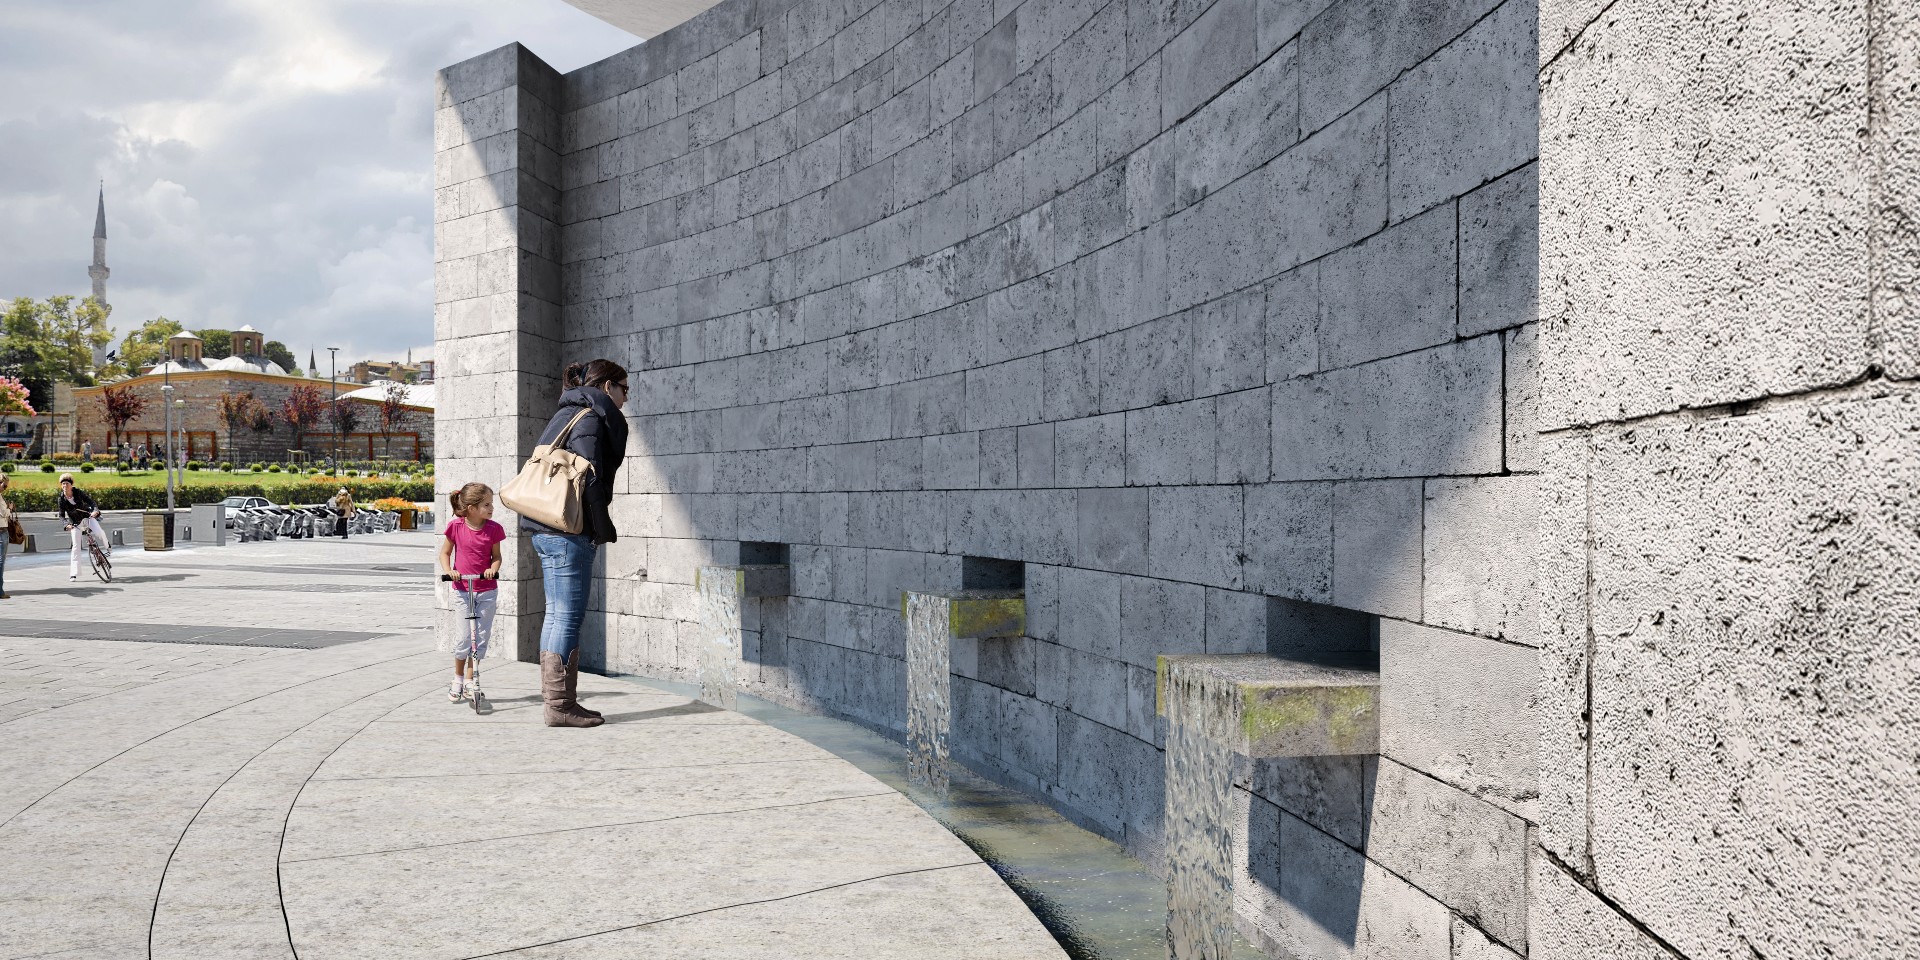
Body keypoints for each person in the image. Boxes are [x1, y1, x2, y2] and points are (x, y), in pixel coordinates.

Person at [521, 358, 628, 728]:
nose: (626, 398)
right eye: (624, 389)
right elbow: (590, 478)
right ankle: (560, 706)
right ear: (607, 386)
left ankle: (559, 703)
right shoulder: (590, 418)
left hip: (546, 528)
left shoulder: (566, 413)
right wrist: (600, 528)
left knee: (557, 615)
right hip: (568, 531)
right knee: (566, 617)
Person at [437, 482, 504, 702]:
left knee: (481, 639)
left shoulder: (494, 529)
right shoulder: (456, 527)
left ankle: (470, 679)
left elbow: (496, 557)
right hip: (463, 591)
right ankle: (457, 678)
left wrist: (492, 569)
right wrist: (450, 571)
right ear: (471, 508)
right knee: (464, 638)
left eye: (491, 503)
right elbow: (445, 553)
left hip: (486, 591)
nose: (491, 508)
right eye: (487, 504)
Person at [55, 473, 108, 582]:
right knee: (75, 547)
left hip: (87, 517)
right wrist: (66, 524)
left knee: (100, 533)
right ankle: (73, 573)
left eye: (67, 484)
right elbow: (61, 515)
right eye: (63, 484)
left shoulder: (78, 492)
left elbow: (91, 502)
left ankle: (108, 548)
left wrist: (95, 511)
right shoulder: (61, 499)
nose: (64, 486)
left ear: (71, 485)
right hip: (75, 523)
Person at [0, 473, 14, 600]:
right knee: (1, 562)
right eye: (4, 485)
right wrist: (10, 508)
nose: (5, 488)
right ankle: (0, 591)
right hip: (1, 532)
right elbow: (4, 513)